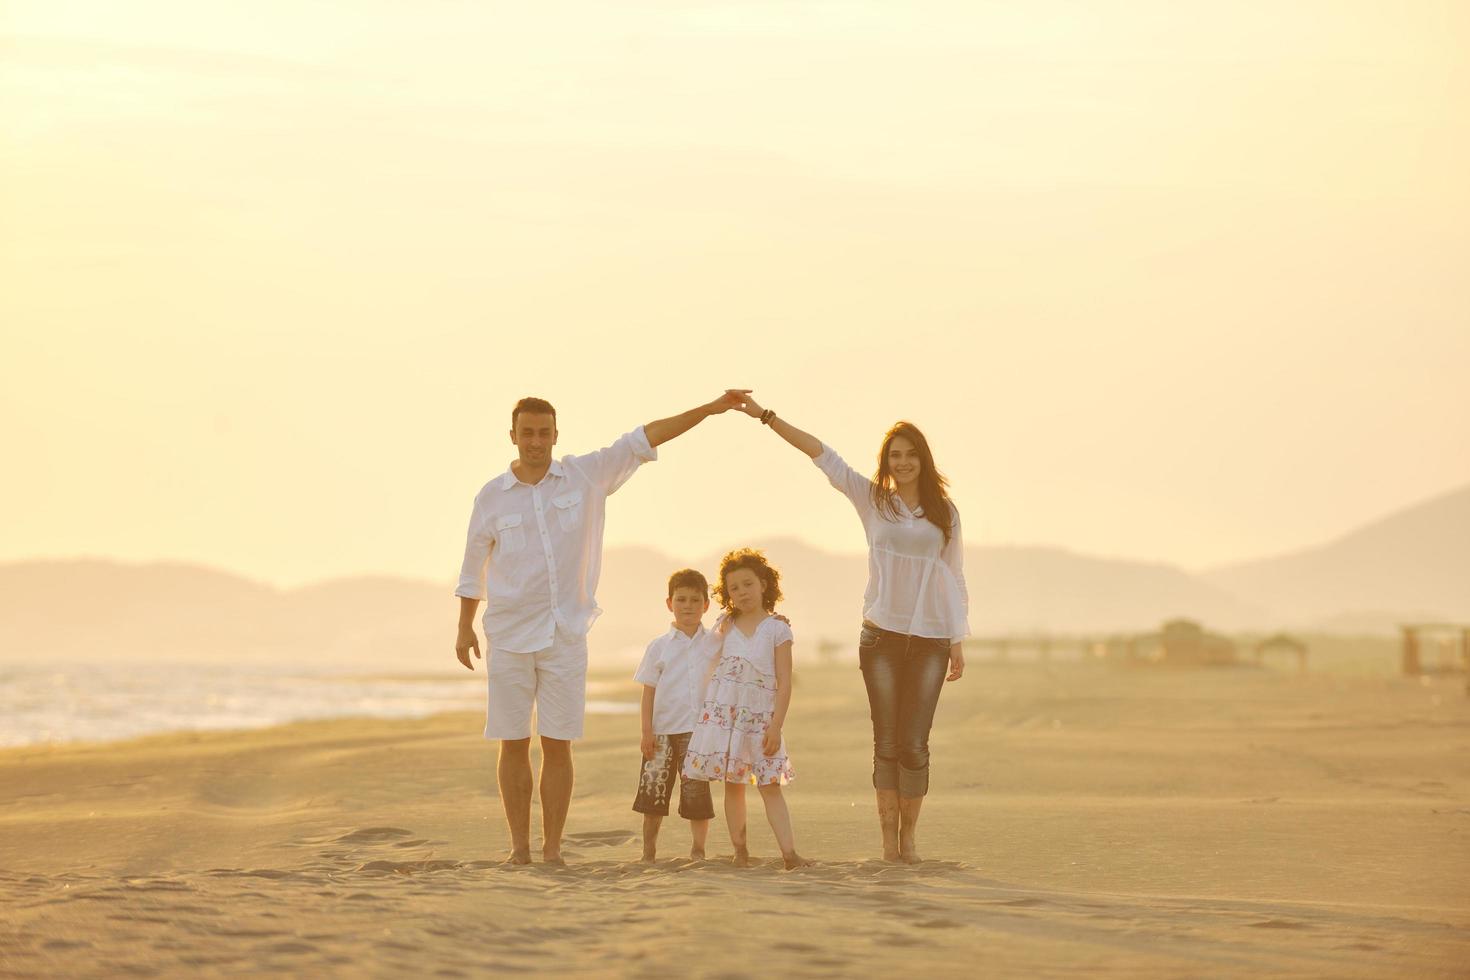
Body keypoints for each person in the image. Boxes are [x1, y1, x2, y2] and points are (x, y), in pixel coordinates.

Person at [454, 390, 750, 865]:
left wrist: (709, 408)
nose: (536, 441)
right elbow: (472, 567)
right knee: (513, 742)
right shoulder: (491, 496)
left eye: (544, 432)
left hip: (566, 634)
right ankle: (519, 849)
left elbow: (645, 437)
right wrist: (464, 626)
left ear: (555, 435)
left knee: (557, 743)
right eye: (527, 433)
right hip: (508, 635)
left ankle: (551, 850)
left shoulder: (584, 475)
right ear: (512, 436)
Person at [737, 397, 968, 864]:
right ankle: (887, 842)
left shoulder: (945, 513)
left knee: (915, 742)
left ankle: (910, 839)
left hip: (930, 640)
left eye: (910, 455)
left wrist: (957, 638)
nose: (902, 463)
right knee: (886, 740)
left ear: (924, 459)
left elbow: (954, 575)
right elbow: (822, 455)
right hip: (880, 636)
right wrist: (766, 416)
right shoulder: (873, 501)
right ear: (886, 463)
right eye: (894, 456)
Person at [683, 548, 809, 869]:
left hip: (761, 720)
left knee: (769, 786)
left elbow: (784, 681)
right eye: (734, 588)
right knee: (734, 785)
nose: (741, 592)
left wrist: (776, 726)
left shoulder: (778, 629)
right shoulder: (725, 624)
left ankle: (789, 855)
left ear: (764, 584)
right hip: (726, 719)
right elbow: (700, 653)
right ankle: (740, 851)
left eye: (748, 584)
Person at [631, 568, 721, 862]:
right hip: (661, 733)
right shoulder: (658, 646)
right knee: (653, 796)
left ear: (706, 605)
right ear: (669, 603)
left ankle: (698, 850)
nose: (688, 606)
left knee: (696, 793)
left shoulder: (714, 643)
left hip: (698, 732)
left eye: (696, 600)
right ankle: (648, 852)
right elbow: (648, 693)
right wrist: (646, 731)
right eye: (681, 599)